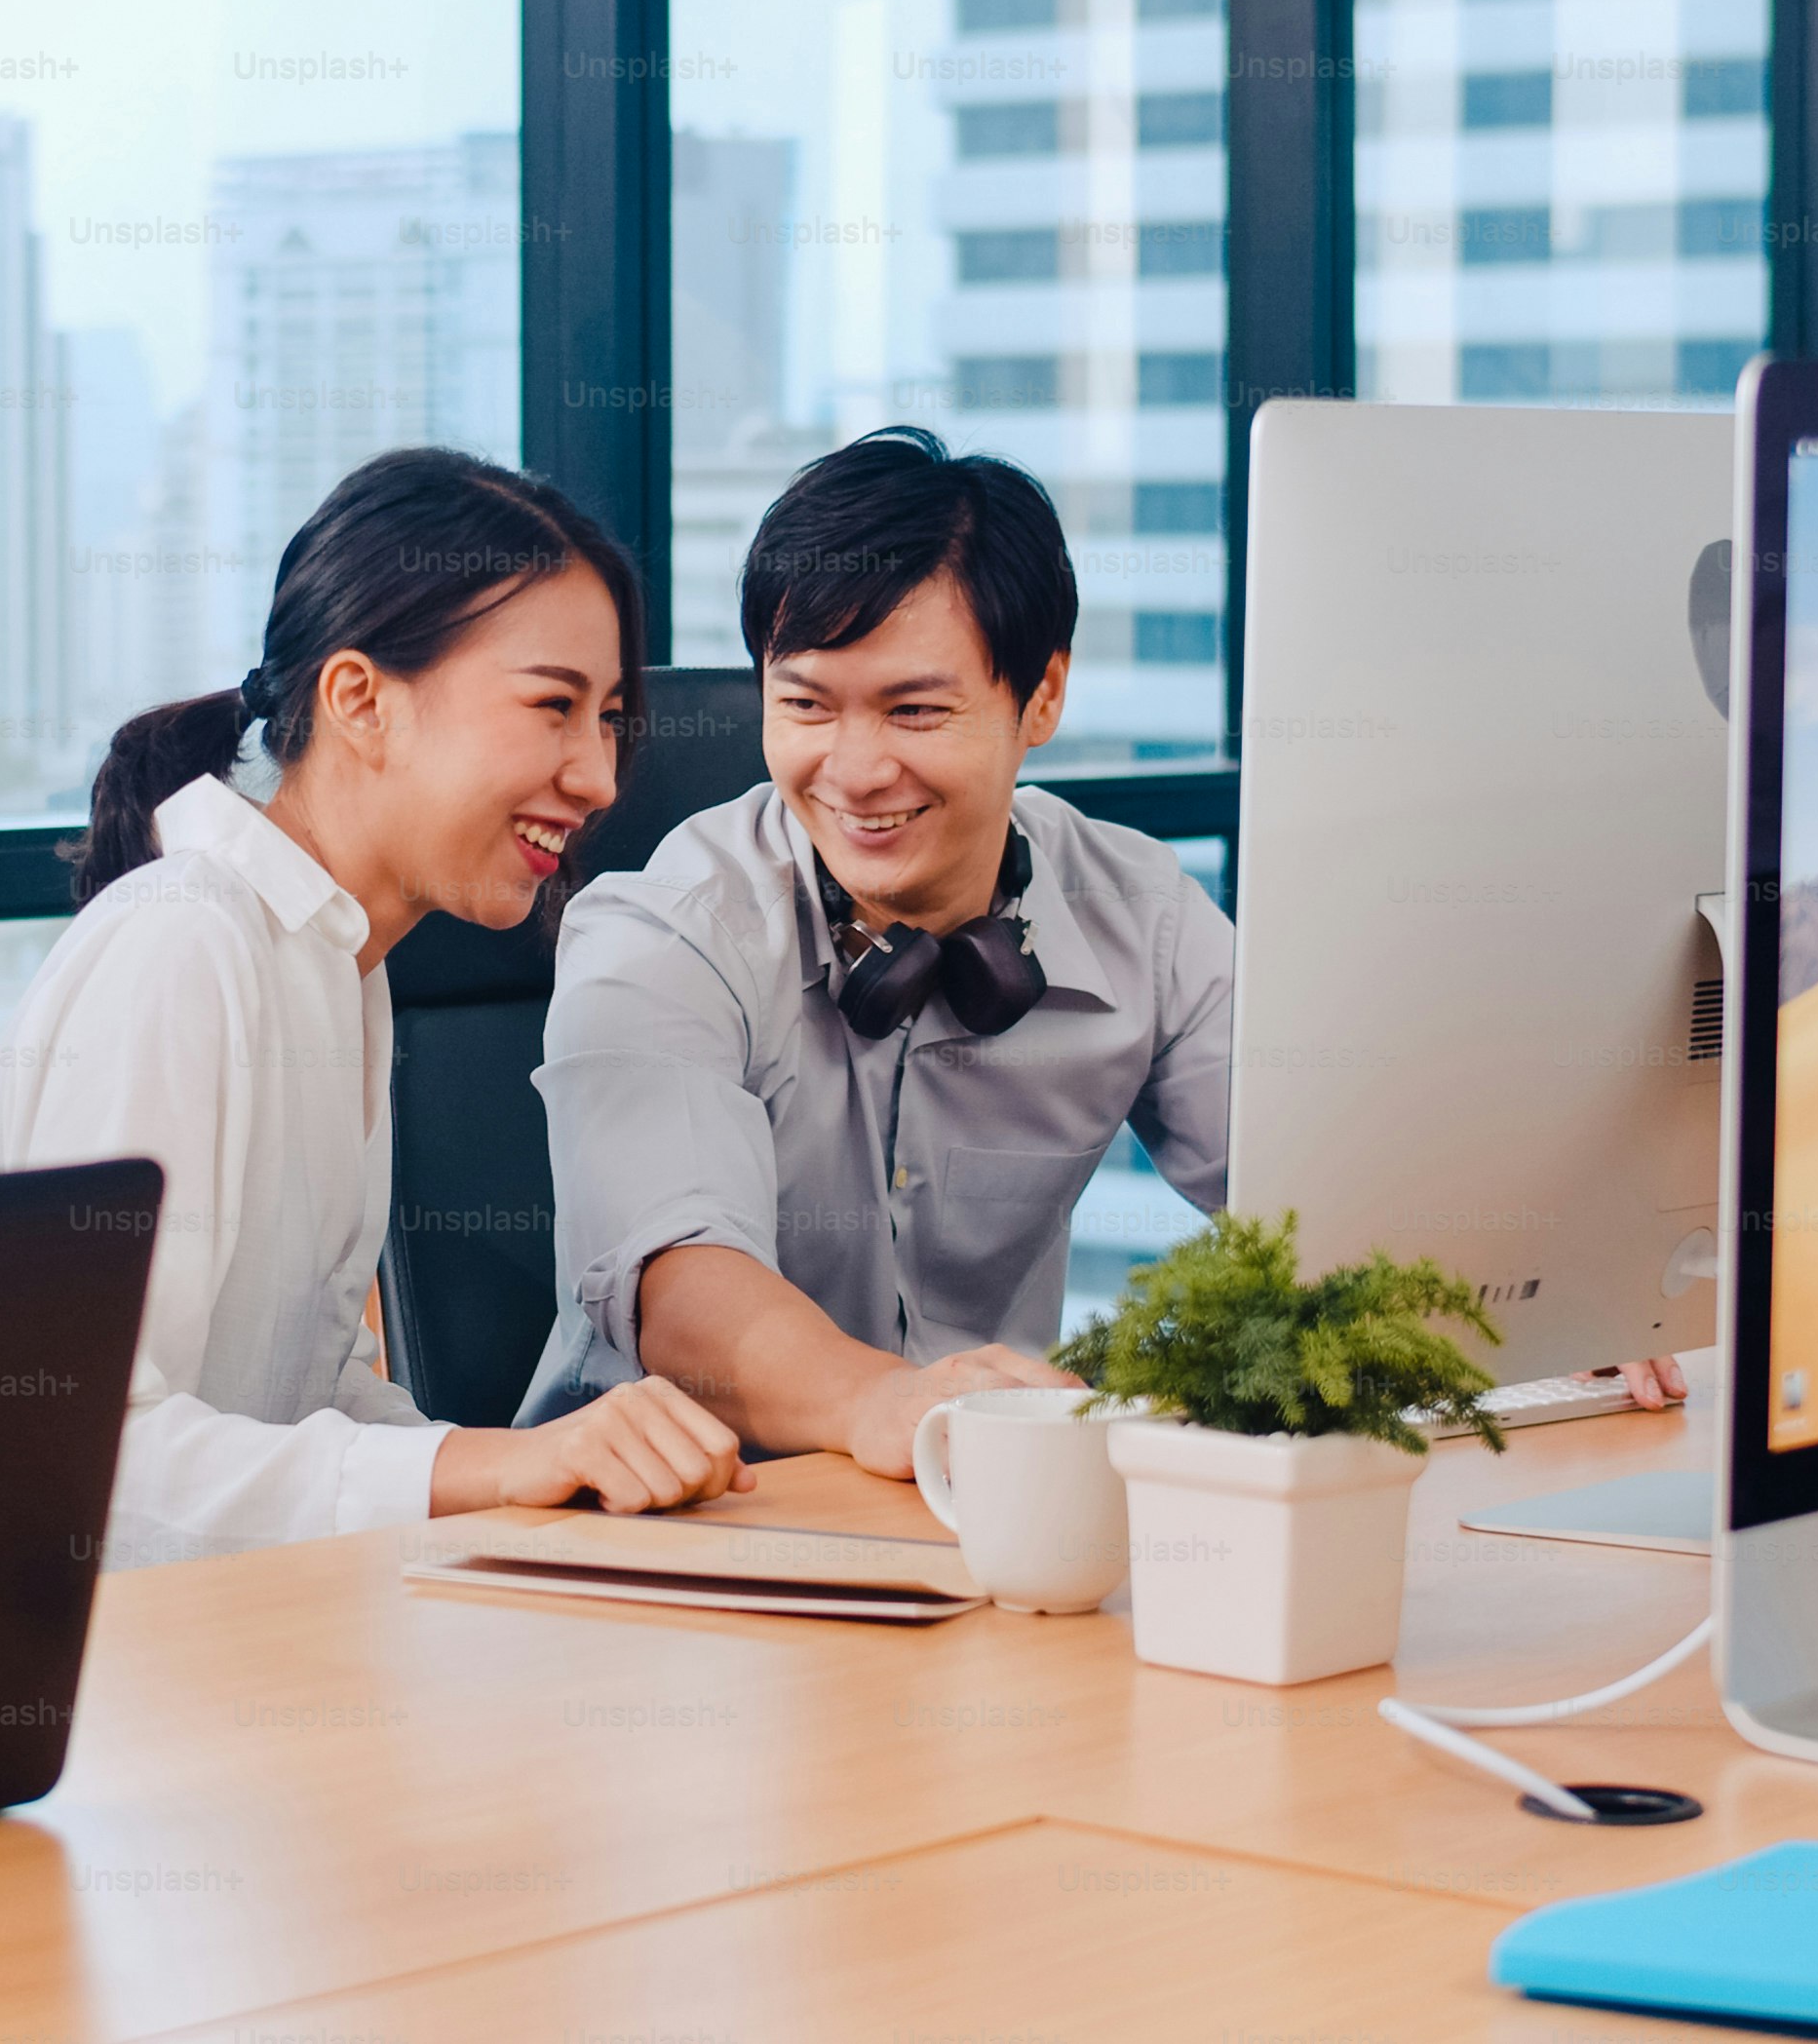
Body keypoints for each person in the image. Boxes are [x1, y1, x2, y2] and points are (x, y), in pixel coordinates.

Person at [520, 429, 1683, 1470]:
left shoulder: (1141, 916)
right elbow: (676, 1278)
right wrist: (889, 1404)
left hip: (982, 1508)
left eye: (915, 712)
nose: (856, 769)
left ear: (1040, 699)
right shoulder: (659, 933)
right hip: (666, 1533)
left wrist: (1528, 1325)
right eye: (808, 706)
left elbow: (1321, 1191)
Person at [0, 447, 754, 1566]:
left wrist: (542, 1482)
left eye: (609, 718)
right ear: (359, 701)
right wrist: (494, 1468)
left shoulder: (342, 969)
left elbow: (309, 1399)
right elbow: (78, 1458)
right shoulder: (182, 946)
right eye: (552, 706)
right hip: (91, 1704)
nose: (599, 777)